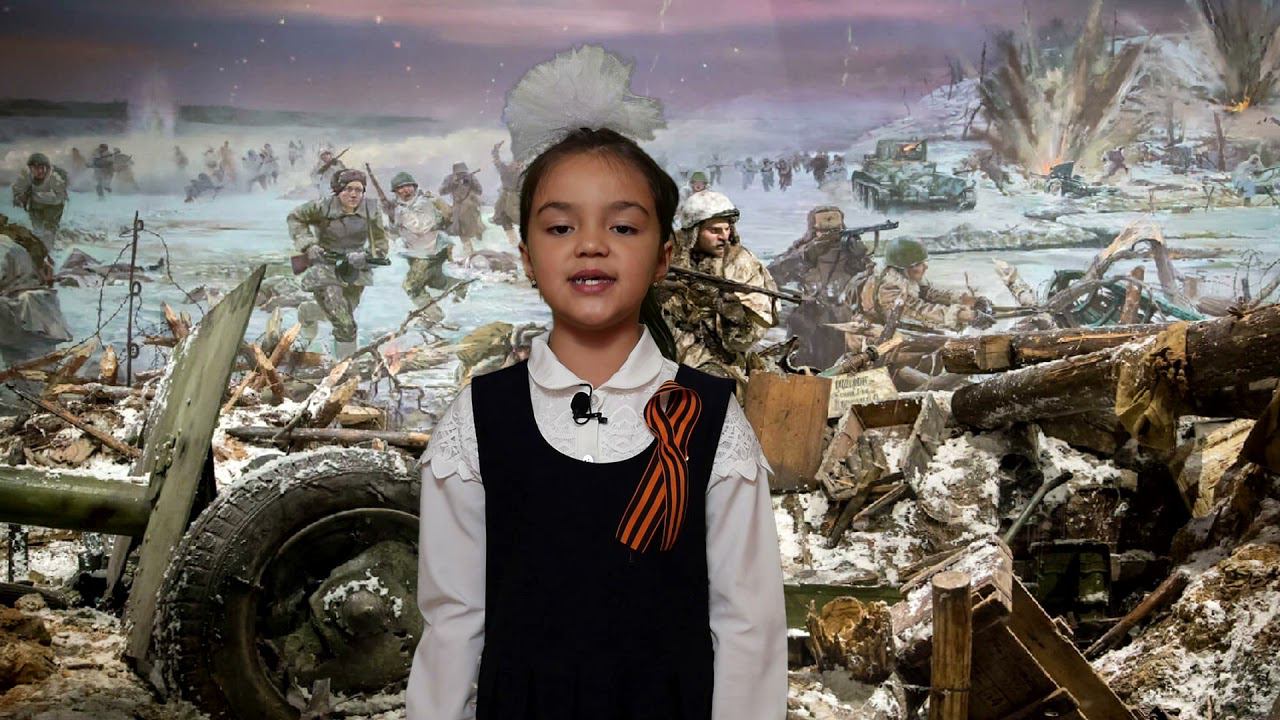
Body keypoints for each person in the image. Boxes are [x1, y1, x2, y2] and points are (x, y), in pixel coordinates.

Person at [407, 46, 786, 720]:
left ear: (663, 256)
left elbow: (748, 628)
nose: (590, 244)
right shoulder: (479, 420)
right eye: (560, 226)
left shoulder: (711, 419)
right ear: (527, 256)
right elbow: (452, 625)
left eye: (622, 226)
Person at [661, 189, 779, 393]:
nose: (724, 237)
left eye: (727, 229)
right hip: (660, 349)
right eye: (715, 231)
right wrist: (655, 296)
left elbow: (746, 338)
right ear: (694, 232)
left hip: (712, 357)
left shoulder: (741, 264)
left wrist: (735, 316)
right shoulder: (666, 254)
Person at [286, 168, 389, 358]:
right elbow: (295, 218)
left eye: (359, 190)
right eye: (348, 189)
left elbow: (380, 243)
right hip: (325, 267)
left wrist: (365, 256)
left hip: (354, 271)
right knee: (345, 323)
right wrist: (309, 245)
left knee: (342, 313)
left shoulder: (371, 209)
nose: (354, 194)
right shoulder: (322, 206)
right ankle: (345, 366)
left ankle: (308, 312)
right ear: (338, 190)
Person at [859, 237, 994, 332]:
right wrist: (963, 315)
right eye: (918, 264)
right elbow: (919, 310)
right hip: (883, 332)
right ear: (904, 268)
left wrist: (967, 300)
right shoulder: (888, 288)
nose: (925, 267)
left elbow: (929, 293)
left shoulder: (906, 278)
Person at [12, 153, 69, 242]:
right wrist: (19, 197)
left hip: (54, 206)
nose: (39, 171)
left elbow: (61, 195)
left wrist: (42, 196)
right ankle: (39, 241)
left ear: (47, 167)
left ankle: (49, 243)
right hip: (36, 205)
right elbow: (18, 187)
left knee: (49, 228)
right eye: (35, 168)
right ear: (30, 168)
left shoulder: (54, 177)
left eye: (42, 167)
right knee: (37, 228)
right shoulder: (27, 175)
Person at [439, 162, 484, 257]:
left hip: (470, 206)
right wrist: (452, 184)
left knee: (473, 229)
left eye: (462, 172)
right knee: (460, 229)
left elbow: (479, 190)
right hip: (457, 207)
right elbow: (441, 191)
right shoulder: (449, 179)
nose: (461, 174)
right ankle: (468, 250)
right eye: (458, 173)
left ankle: (476, 247)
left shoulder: (471, 177)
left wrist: (469, 183)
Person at [490, 140, 523, 246]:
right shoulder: (504, 169)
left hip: (515, 196)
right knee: (501, 214)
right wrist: (496, 149)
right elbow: (496, 160)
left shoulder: (521, 174)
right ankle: (513, 241)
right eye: (512, 163)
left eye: (516, 164)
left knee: (515, 215)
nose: (513, 165)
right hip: (504, 195)